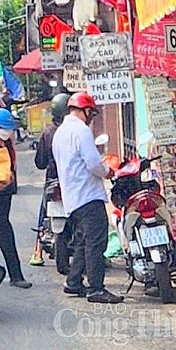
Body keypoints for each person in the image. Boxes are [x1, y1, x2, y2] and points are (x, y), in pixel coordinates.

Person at [52, 92, 123, 304]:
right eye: (91, 112)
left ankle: (73, 281)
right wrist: (108, 171)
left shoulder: (61, 132)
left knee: (83, 241)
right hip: (87, 195)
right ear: (85, 111)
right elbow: (93, 163)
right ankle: (96, 288)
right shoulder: (81, 131)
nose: (92, 116)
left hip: (72, 196)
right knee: (95, 242)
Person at [0, 108, 32, 289]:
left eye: (9, 128)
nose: (8, 131)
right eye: (4, 128)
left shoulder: (7, 144)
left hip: (5, 195)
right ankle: (16, 275)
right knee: (5, 234)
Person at [30, 93, 71, 267]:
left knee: (42, 215)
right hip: (71, 181)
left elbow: (40, 162)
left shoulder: (48, 132)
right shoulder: (75, 130)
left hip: (53, 180)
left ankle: (37, 251)